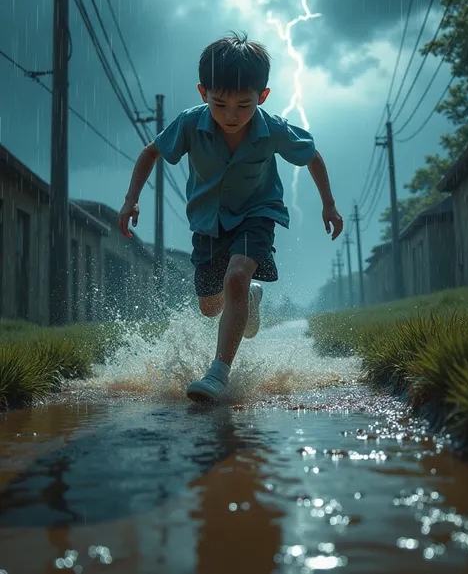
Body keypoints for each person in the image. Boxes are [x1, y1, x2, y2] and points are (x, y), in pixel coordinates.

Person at [118, 31, 343, 404]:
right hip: (207, 221)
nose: (231, 116)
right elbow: (149, 154)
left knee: (236, 275)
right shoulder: (190, 124)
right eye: (220, 104)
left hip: (257, 213)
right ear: (203, 93)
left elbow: (312, 155)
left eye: (244, 105)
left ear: (262, 97)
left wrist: (329, 205)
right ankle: (249, 296)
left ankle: (218, 373)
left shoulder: (273, 128)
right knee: (210, 306)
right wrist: (131, 201)